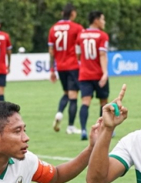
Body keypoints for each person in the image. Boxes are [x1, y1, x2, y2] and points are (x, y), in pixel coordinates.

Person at [48, 2, 84, 135]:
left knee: (66, 93)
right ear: (73, 13)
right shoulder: (77, 28)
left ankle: (59, 113)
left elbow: (51, 51)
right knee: (73, 96)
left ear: (62, 13)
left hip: (61, 67)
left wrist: (52, 70)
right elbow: (81, 47)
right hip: (73, 65)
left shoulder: (53, 29)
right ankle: (70, 127)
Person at [77, 11, 109, 141]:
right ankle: (103, 129)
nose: (104, 22)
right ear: (96, 20)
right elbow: (102, 55)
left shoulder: (81, 35)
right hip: (98, 74)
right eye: (103, 19)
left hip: (84, 74)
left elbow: (78, 54)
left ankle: (83, 130)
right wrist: (105, 73)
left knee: (85, 102)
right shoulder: (102, 35)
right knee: (104, 102)